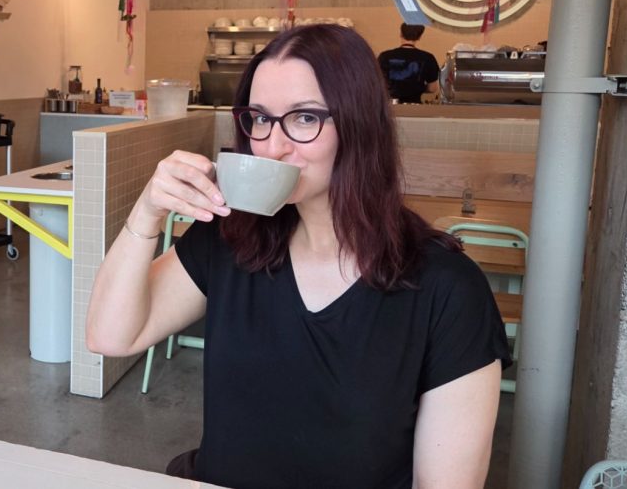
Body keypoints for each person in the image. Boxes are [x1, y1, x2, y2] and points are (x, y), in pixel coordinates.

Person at [86, 24, 510, 489]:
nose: (273, 145)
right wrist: (147, 213)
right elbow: (110, 336)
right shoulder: (232, 239)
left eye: (305, 118)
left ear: (358, 123)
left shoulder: (446, 290)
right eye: (261, 118)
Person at [378, 23, 441, 103]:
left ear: (401, 34)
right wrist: (418, 88)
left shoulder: (385, 56)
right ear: (419, 37)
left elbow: (376, 83)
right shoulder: (428, 58)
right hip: (414, 105)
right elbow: (433, 88)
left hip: (388, 105)